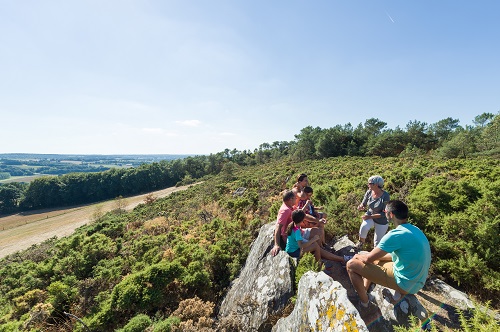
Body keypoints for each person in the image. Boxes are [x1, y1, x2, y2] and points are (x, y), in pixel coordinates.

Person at [346, 200, 431, 314]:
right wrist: (367, 256)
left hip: (405, 283)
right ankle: (365, 290)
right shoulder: (415, 229)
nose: (384, 213)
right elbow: (393, 256)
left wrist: (358, 256)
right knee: (370, 256)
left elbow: (368, 259)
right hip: (417, 280)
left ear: (391, 215)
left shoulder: (395, 235)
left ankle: (364, 303)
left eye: (385, 211)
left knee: (351, 265)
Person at [285, 210, 352, 266]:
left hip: (292, 249)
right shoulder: (296, 231)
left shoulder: (293, 225)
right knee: (315, 246)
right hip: (294, 252)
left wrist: (312, 241)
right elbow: (301, 246)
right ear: (302, 219)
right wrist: (312, 240)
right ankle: (319, 265)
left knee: (315, 245)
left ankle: (341, 259)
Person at [356, 175, 390, 250]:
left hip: (382, 220)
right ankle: (360, 244)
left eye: (370, 183)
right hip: (370, 214)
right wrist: (361, 206)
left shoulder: (385, 196)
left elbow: (384, 213)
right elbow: (363, 203)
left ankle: (375, 256)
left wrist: (369, 217)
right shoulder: (369, 192)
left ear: (376, 185)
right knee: (364, 227)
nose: (368, 185)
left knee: (377, 243)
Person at [271, 190, 296, 256]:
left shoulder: (289, 207)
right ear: (290, 199)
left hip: (295, 233)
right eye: (295, 197)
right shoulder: (285, 210)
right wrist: (276, 245)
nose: (296, 199)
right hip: (291, 238)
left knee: (316, 233)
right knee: (316, 236)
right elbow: (278, 227)